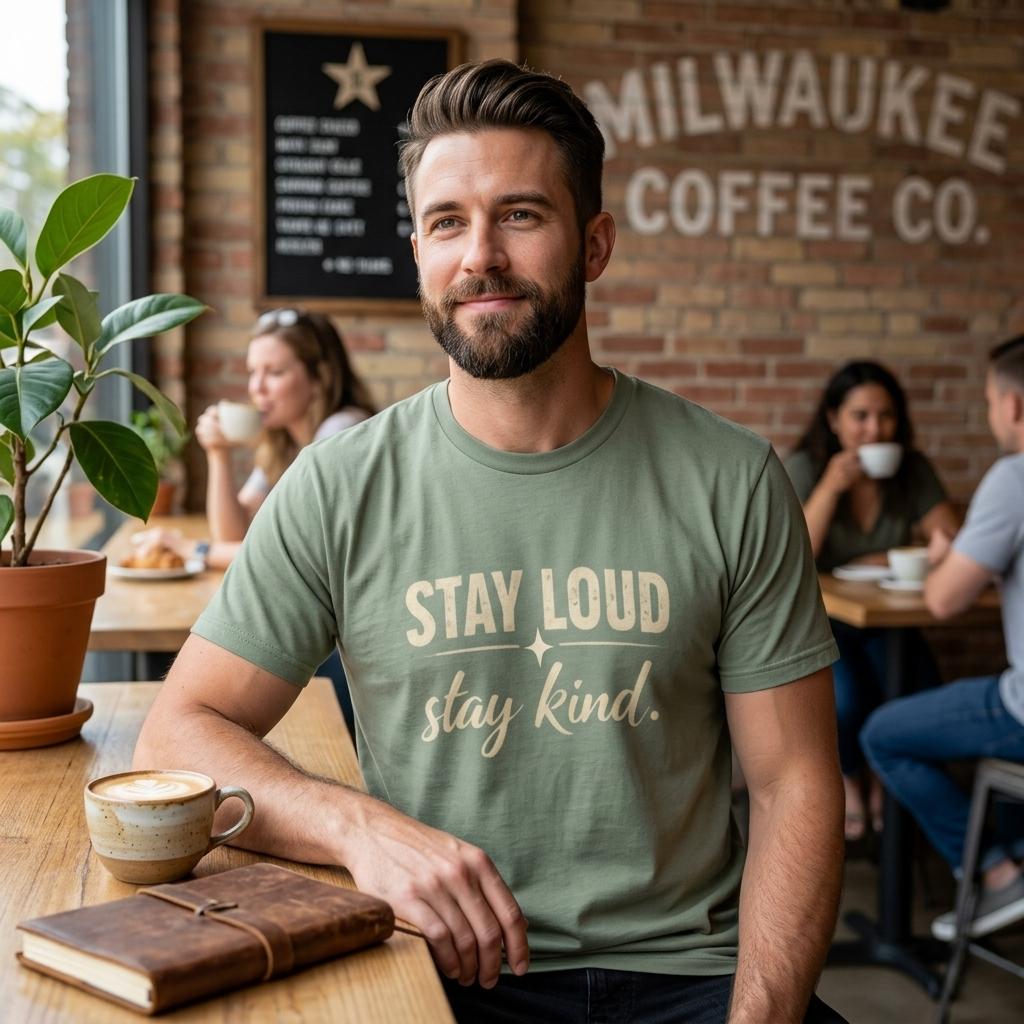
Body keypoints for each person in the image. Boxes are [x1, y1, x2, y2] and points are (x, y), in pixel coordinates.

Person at [133, 60, 847, 1024]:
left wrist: (761, 1014)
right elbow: (182, 731)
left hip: (694, 974)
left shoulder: (731, 478)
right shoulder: (341, 486)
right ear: (418, 251)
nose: (480, 257)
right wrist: (363, 832)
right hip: (441, 971)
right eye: (446, 222)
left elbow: (795, 780)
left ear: (593, 243)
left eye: (520, 215)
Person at [132, 309, 375, 732]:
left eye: (274, 372)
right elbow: (237, 531)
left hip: (352, 641)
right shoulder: (285, 439)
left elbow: (276, 556)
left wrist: (193, 550)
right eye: (253, 372)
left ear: (319, 377)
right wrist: (218, 454)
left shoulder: (340, 433)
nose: (256, 388)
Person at [861, 336, 1024, 942]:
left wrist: (948, 556)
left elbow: (943, 599)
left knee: (885, 733)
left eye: (987, 401)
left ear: (1012, 407)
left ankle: (999, 871)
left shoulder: (1013, 478)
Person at [785, 362, 959, 841]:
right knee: (845, 701)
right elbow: (796, 556)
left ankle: (886, 778)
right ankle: (846, 781)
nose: (874, 429)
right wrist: (831, 487)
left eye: (886, 417)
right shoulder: (806, 468)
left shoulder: (911, 470)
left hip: (887, 622)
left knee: (917, 691)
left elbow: (948, 537)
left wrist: (912, 549)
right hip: (820, 622)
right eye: (860, 416)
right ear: (833, 418)